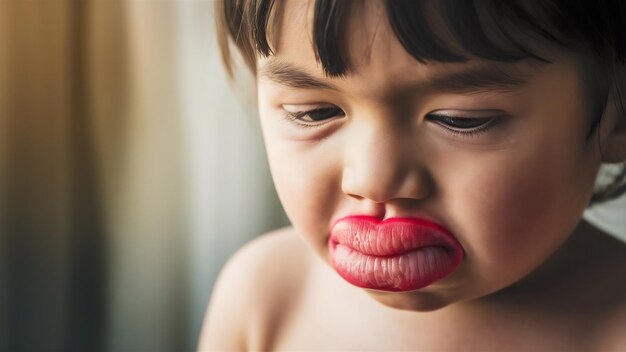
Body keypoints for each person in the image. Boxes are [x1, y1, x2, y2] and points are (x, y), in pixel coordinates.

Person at [199, 0, 626, 350]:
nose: (373, 179)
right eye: (313, 112)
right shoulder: (263, 297)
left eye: (461, 119)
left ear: (617, 112)